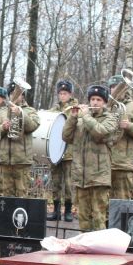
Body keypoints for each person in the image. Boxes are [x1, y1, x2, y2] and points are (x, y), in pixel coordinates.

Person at [61, 85, 120, 231]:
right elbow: (66, 136)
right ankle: (84, 243)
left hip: (99, 177)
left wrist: (85, 116)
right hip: (81, 177)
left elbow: (100, 132)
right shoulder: (81, 120)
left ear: (104, 102)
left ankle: (100, 245)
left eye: (99, 100)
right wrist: (72, 118)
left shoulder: (110, 119)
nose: (95, 102)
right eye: (92, 99)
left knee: (99, 216)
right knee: (83, 217)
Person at [0, 81, 40, 198]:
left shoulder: (30, 111)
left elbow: (32, 126)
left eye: (18, 93)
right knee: (5, 197)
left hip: (22, 161)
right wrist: (3, 128)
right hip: (4, 161)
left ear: (23, 96)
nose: (15, 96)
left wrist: (21, 114)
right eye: (12, 94)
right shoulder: (1, 112)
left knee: (22, 195)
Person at [107, 75, 133, 200]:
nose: (115, 89)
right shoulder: (105, 106)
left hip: (123, 163)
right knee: (103, 200)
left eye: (118, 87)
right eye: (112, 87)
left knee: (122, 199)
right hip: (104, 162)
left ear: (125, 89)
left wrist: (129, 126)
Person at [47, 79, 78, 222]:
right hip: (55, 151)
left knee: (69, 183)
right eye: (60, 93)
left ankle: (68, 211)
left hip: (69, 151)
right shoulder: (54, 109)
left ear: (70, 94)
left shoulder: (75, 108)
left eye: (65, 93)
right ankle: (56, 210)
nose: (62, 96)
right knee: (56, 181)